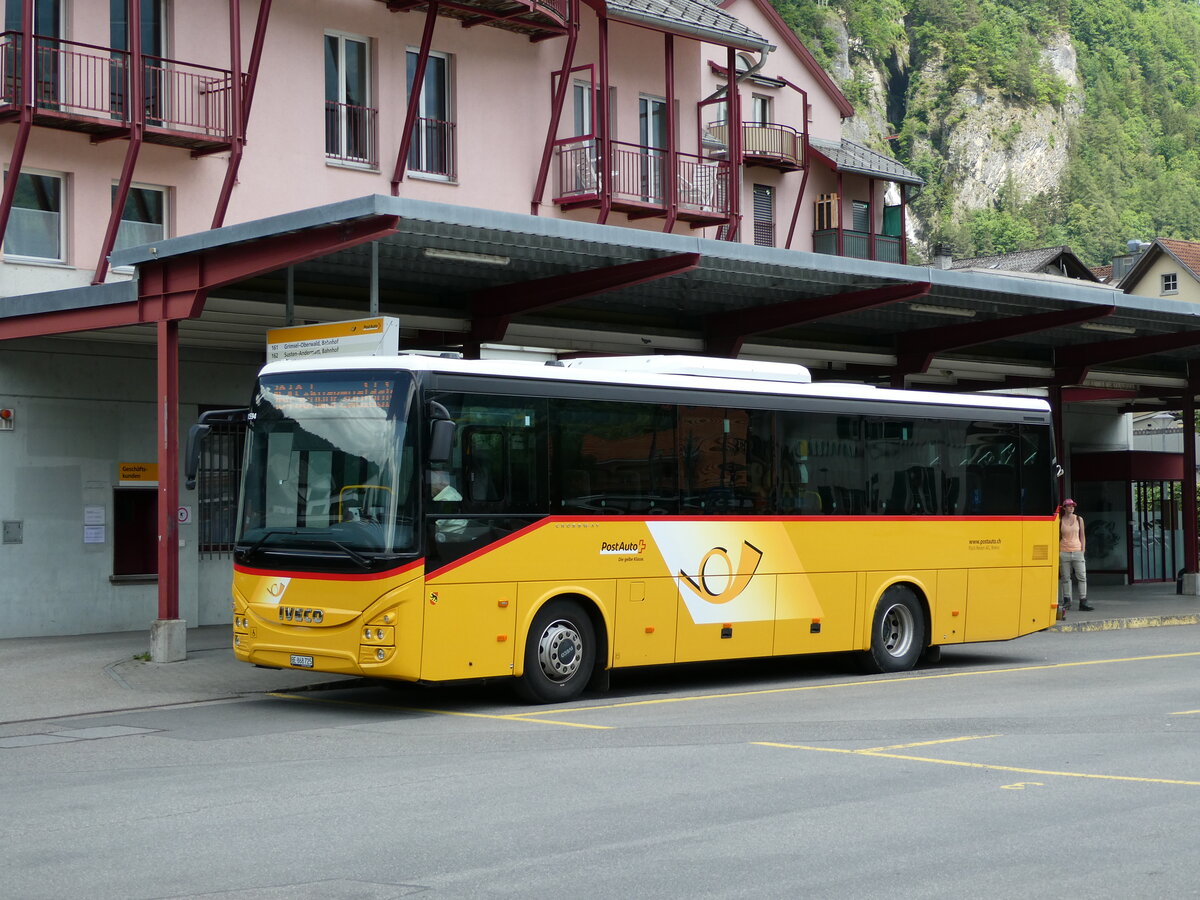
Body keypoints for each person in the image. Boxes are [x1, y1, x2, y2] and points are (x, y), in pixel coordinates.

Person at [1059, 499, 1093, 613]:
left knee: (1082, 577)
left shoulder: (1079, 519)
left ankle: (1083, 601)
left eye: (1073, 506)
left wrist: (1082, 549)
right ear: (1064, 508)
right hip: (1064, 551)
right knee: (1065, 577)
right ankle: (1067, 600)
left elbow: (1082, 535)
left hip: (1077, 550)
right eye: (1068, 506)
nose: (1071, 508)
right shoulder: (1059, 520)